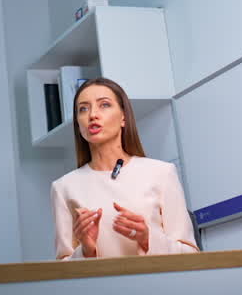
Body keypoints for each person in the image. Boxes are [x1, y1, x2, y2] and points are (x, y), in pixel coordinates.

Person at [49, 78, 199, 259]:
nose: (92, 115)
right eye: (83, 108)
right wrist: (86, 251)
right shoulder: (63, 187)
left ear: (123, 117)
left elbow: (191, 256)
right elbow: (61, 272)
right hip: (101, 287)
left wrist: (148, 238)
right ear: (78, 124)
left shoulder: (162, 173)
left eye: (104, 105)